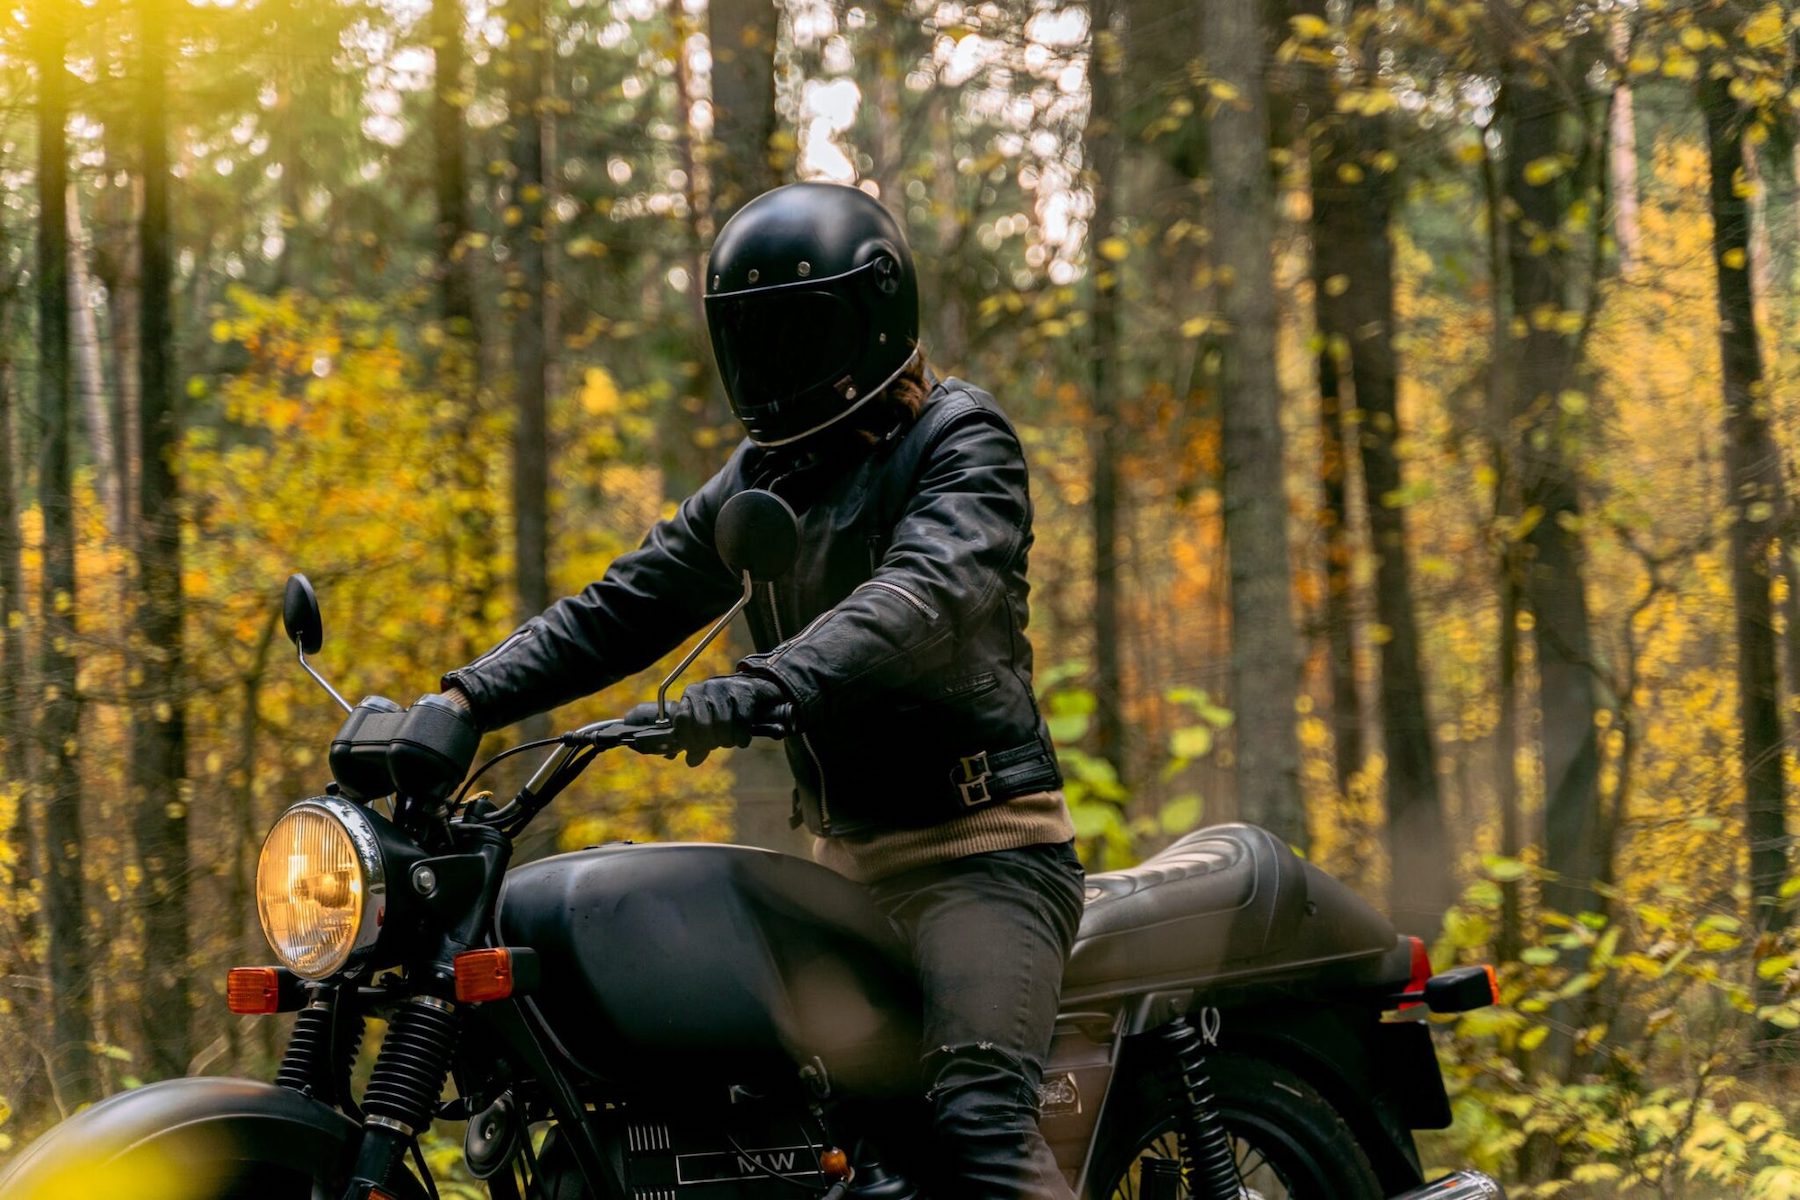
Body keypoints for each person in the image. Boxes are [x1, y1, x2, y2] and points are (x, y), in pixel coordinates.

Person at [435, 181, 1083, 1200]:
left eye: (797, 331)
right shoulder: (764, 475)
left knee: (976, 1127)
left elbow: (923, 595)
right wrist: (465, 701)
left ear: (871, 318)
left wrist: (769, 682)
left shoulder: (961, 440)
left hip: (982, 857)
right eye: (754, 337)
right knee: (767, 1124)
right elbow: (626, 604)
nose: (773, 364)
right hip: (845, 873)